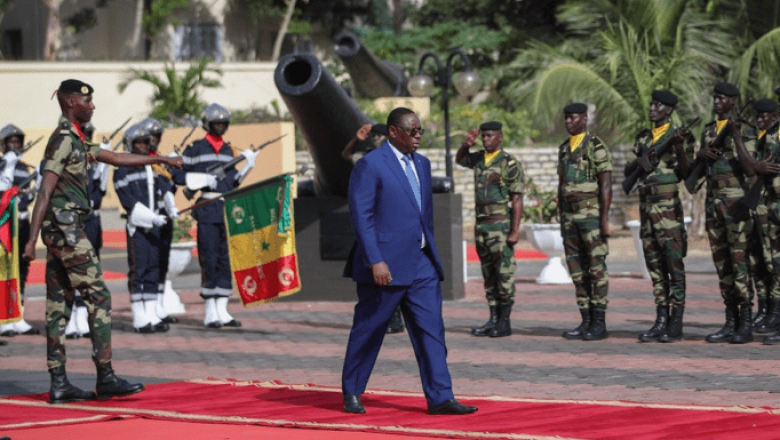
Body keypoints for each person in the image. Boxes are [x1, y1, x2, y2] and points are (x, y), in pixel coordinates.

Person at [22, 79, 182, 404]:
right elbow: (45, 190)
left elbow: (114, 157)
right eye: (88, 101)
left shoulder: (77, 140)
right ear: (70, 103)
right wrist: (30, 241)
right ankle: (106, 377)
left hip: (63, 230)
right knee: (100, 297)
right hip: (66, 230)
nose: (92, 106)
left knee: (59, 304)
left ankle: (59, 383)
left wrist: (160, 159)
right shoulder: (63, 140)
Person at [341, 107, 477, 415]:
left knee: (432, 331)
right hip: (384, 265)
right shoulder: (370, 165)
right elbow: (361, 217)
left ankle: (441, 396)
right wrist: (375, 260)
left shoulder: (424, 164)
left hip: (422, 263)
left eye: (420, 131)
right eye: (412, 131)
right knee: (369, 329)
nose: (418, 136)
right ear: (393, 132)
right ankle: (351, 390)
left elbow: (422, 214)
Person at [178, 103, 258, 328]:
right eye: (216, 123)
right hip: (206, 207)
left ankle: (222, 310)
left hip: (226, 207)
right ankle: (210, 311)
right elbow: (178, 174)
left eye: (224, 123)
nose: (220, 126)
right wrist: (200, 181)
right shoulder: (195, 149)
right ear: (207, 124)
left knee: (224, 259)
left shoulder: (228, 151)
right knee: (209, 258)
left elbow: (232, 182)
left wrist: (247, 167)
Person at [624, 91, 694, 343]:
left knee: (673, 264)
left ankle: (676, 322)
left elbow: (688, 174)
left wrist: (678, 147)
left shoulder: (681, 136)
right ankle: (660, 318)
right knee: (654, 265)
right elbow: (628, 171)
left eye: (658, 105)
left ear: (669, 110)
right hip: (647, 209)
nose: (652, 108)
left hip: (668, 211)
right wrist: (640, 161)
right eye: (652, 103)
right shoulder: (643, 136)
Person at [689, 82, 755, 344]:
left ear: (733, 101)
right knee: (722, 264)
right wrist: (700, 154)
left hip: (736, 206)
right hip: (713, 205)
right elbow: (698, 169)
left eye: (722, 98)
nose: (716, 101)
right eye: (715, 97)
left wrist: (736, 134)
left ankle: (746, 323)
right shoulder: (707, 131)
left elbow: (750, 168)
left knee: (740, 265)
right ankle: (730, 321)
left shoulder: (746, 130)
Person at [456, 121, 525, 338]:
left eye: (490, 136)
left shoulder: (509, 162)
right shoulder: (477, 159)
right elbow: (459, 159)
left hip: (500, 225)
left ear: (500, 138)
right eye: (483, 136)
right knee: (488, 274)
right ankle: (493, 318)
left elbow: (517, 200)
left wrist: (514, 231)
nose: (486, 139)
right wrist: (466, 145)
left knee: (503, 273)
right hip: (482, 226)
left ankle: (504, 321)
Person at [341, 122, 405, 335]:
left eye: (380, 135)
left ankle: (395, 318)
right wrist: (356, 139)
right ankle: (383, 317)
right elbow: (346, 156)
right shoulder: (368, 158)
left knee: (392, 269)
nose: (376, 139)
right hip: (373, 221)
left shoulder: (397, 158)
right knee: (375, 271)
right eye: (374, 136)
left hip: (391, 220)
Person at [558, 103, 613, 341]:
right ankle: (585, 320)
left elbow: (606, 185)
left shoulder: (596, 146)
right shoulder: (563, 149)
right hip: (570, 219)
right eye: (567, 118)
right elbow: (561, 184)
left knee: (596, 269)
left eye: (573, 118)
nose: (569, 122)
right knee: (577, 270)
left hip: (590, 216)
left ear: (584, 118)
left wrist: (603, 220)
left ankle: (599, 322)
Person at [113, 123, 174, 334]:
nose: (141, 145)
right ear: (129, 144)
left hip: (155, 225)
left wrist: (170, 206)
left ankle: (151, 313)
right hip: (137, 227)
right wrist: (151, 217)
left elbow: (165, 188)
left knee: (153, 268)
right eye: (137, 142)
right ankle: (139, 316)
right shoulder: (122, 171)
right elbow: (128, 202)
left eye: (145, 142)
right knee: (139, 269)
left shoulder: (153, 167)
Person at [730, 98, 780, 342]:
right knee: (766, 261)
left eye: (765, 115)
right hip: (768, 205)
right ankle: (769, 311)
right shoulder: (770, 135)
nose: (760, 119)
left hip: (772, 204)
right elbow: (753, 169)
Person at [64, 121, 104, 339]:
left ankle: (85, 316)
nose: (86, 137)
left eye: (89, 133)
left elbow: (98, 194)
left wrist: (102, 172)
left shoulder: (94, 161)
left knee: (90, 269)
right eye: (83, 133)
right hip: (71, 220)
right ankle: (70, 318)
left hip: (90, 221)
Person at [0, 124, 40, 337]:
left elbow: (29, 197)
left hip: (22, 223)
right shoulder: (2, 165)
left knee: (21, 269)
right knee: (4, 270)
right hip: (5, 224)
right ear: (4, 144)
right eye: (11, 141)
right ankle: (4, 317)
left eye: (18, 142)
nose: (15, 145)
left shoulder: (24, 167)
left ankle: (18, 314)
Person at [141, 116, 180, 326]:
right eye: (151, 136)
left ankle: (159, 304)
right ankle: (148, 307)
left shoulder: (161, 161)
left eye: (157, 136)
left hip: (164, 215)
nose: (155, 139)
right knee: (150, 261)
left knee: (162, 260)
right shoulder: (141, 160)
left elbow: (169, 186)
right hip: (148, 216)